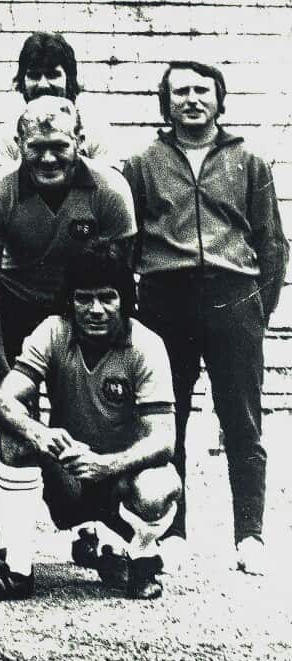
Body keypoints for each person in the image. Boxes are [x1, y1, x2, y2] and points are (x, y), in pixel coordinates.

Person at [122, 61, 288, 575]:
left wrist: (258, 308)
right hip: (165, 300)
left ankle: (250, 535)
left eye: (202, 91)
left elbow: (271, 243)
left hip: (233, 297)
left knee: (242, 422)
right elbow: (128, 243)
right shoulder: (142, 163)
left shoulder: (250, 163)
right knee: (167, 419)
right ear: (165, 104)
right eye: (180, 93)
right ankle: (171, 531)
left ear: (219, 100)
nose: (191, 100)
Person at [0, 243, 180, 602]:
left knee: (158, 483)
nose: (95, 310)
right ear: (70, 301)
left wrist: (107, 464)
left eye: (107, 298)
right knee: (16, 439)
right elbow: (3, 402)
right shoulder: (53, 331)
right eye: (84, 298)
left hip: (120, 479)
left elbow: (164, 439)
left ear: (125, 300)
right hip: (68, 472)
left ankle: (141, 559)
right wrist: (42, 435)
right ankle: (17, 569)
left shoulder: (147, 344)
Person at [0, 96, 135, 403]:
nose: (47, 159)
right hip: (16, 301)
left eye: (59, 146)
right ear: (19, 144)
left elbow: (119, 276)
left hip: (82, 303)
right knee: (10, 412)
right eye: (36, 147)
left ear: (79, 141)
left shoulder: (111, 188)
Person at [0, 32, 109, 170]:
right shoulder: (9, 135)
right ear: (23, 81)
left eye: (52, 75)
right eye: (34, 75)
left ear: (69, 79)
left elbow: (109, 185)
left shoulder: (94, 130)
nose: (43, 85)